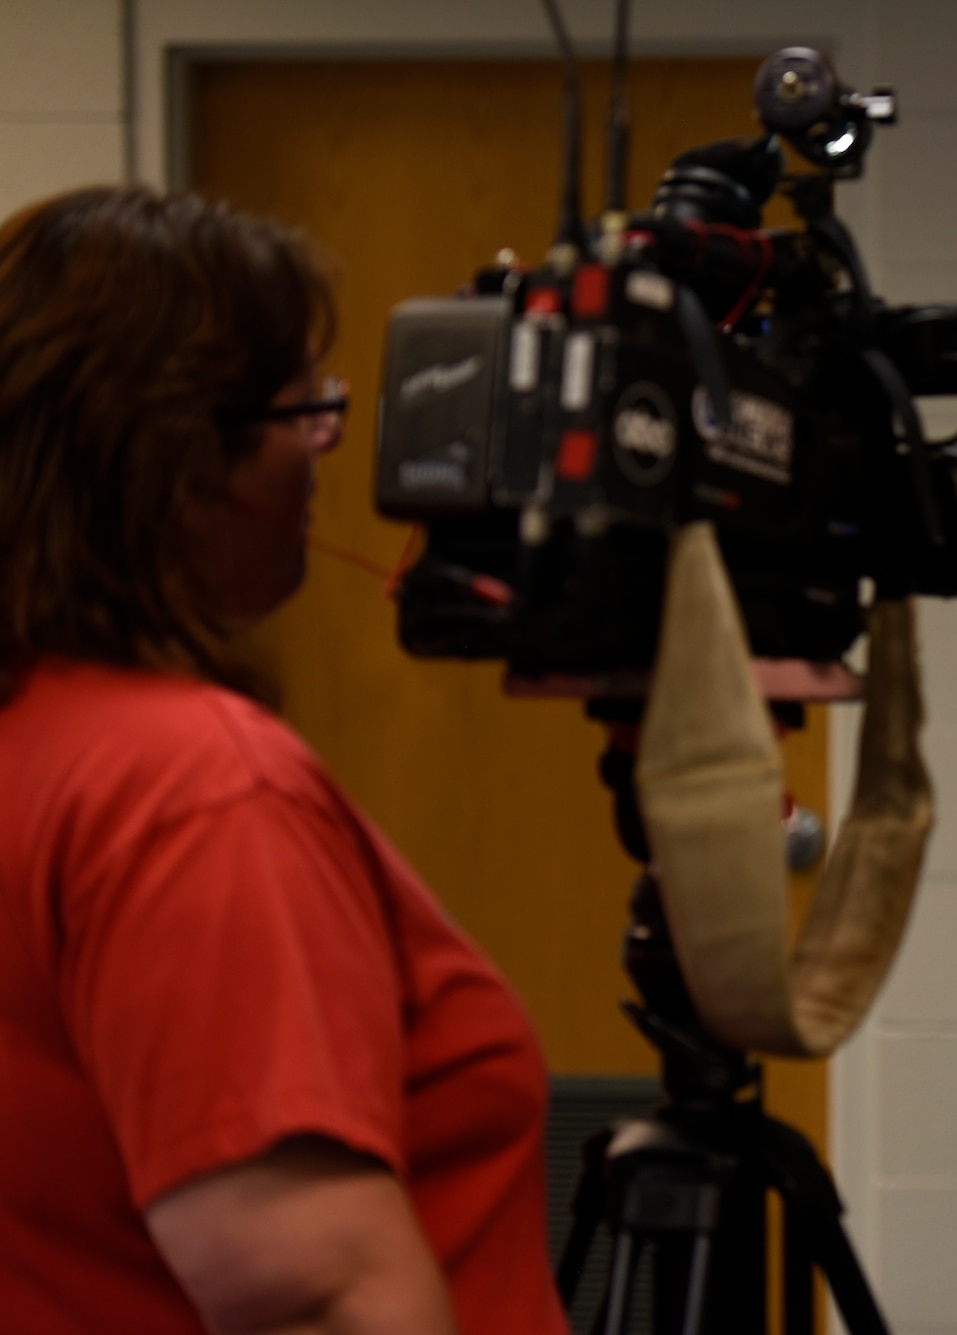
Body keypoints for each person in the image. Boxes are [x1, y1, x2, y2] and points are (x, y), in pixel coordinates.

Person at [0, 186, 570, 1334]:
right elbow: (318, 1291)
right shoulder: (191, 785)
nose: (324, 460)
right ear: (180, 451)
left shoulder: (37, 739)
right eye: (304, 411)